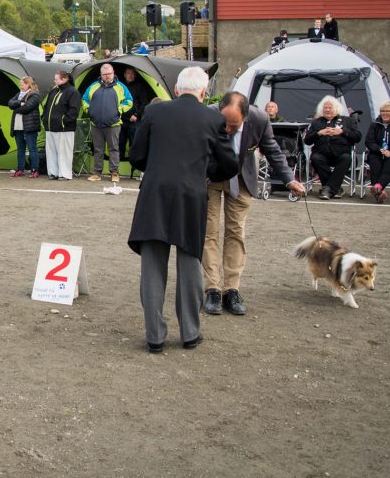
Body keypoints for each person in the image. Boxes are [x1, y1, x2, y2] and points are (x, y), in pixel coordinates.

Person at [127, 66, 237, 353]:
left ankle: (154, 336)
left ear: (176, 89)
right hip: (191, 194)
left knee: (152, 265)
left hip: (155, 193)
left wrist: (157, 168)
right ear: (203, 92)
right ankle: (190, 332)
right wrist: (206, 171)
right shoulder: (213, 117)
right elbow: (229, 164)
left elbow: (136, 155)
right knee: (189, 262)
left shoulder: (154, 112)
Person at [202, 93, 306, 316]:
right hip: (210, 177)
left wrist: (289, 179)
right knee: (208, 232)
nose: (228, 130)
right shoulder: (207, 115)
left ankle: (232, 289)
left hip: (241, 178)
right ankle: (212, 289)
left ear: (246, 117)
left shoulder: (260, 119)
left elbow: (273, 151)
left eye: (234, 125)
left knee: (236, 232)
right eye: (224, 124)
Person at [82, 64, 132, 182]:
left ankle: (114, 173)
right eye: (104, 74)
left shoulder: (121, 87)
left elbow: (129, 101)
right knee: (98, 149)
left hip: (113, 125)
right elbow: (84, 99)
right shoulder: (93, 86)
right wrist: (89, 110)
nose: (107, 76)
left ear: (113, 72)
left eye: (109, 74)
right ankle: (97, 173)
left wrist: (119, 110)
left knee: (114, 149)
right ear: (101, 75)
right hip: (96, 125)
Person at [305, 95, 362, 199]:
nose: (327, 110)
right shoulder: (316, 122)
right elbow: (307, 141)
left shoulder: (348, 121)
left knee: (346, 158)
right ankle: (335, 189)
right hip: (322, 154)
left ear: (336, 108)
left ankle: (327, 189)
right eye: (325, 108)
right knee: (315, 158)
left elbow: (357, 137)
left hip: (341, 154)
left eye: (329, 108)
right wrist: (319, 133)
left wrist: (343, 131)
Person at [41, 70, 81, 180]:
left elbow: (74, 110)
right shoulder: (53, 92)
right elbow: (46, 107)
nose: (54, 81)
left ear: (64, 79)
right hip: (50, 128)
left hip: (65, 129)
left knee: (64, 152)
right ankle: (53, 172)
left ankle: (64, 173)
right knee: (51, 152)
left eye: (56, 79)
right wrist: (44, 118)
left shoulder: (73, 92)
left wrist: (64, 121)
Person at [118, 67, 154, 177]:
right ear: (124, 74)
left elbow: (144, 103)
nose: (130, 75)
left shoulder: (140, 87)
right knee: (120, 144)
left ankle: (134, 171)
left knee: (134, 145)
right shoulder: (120, 86)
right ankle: (118, 170)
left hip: (134, 121)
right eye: (128, 73)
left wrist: (136, 115)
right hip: (121, 120)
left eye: (132, 74)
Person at [7, 75, 41, 178]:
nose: (20, 86)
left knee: (32, 149)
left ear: (28, 84)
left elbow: (27, 108)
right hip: (18, 127)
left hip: (29, 126)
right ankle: (20, 169)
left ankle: (34, 170)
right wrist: (20, 103)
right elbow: (9, 103)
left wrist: (16, 108)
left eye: (22, 84)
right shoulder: (19, 94)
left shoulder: (35, 95)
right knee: (20, 149)